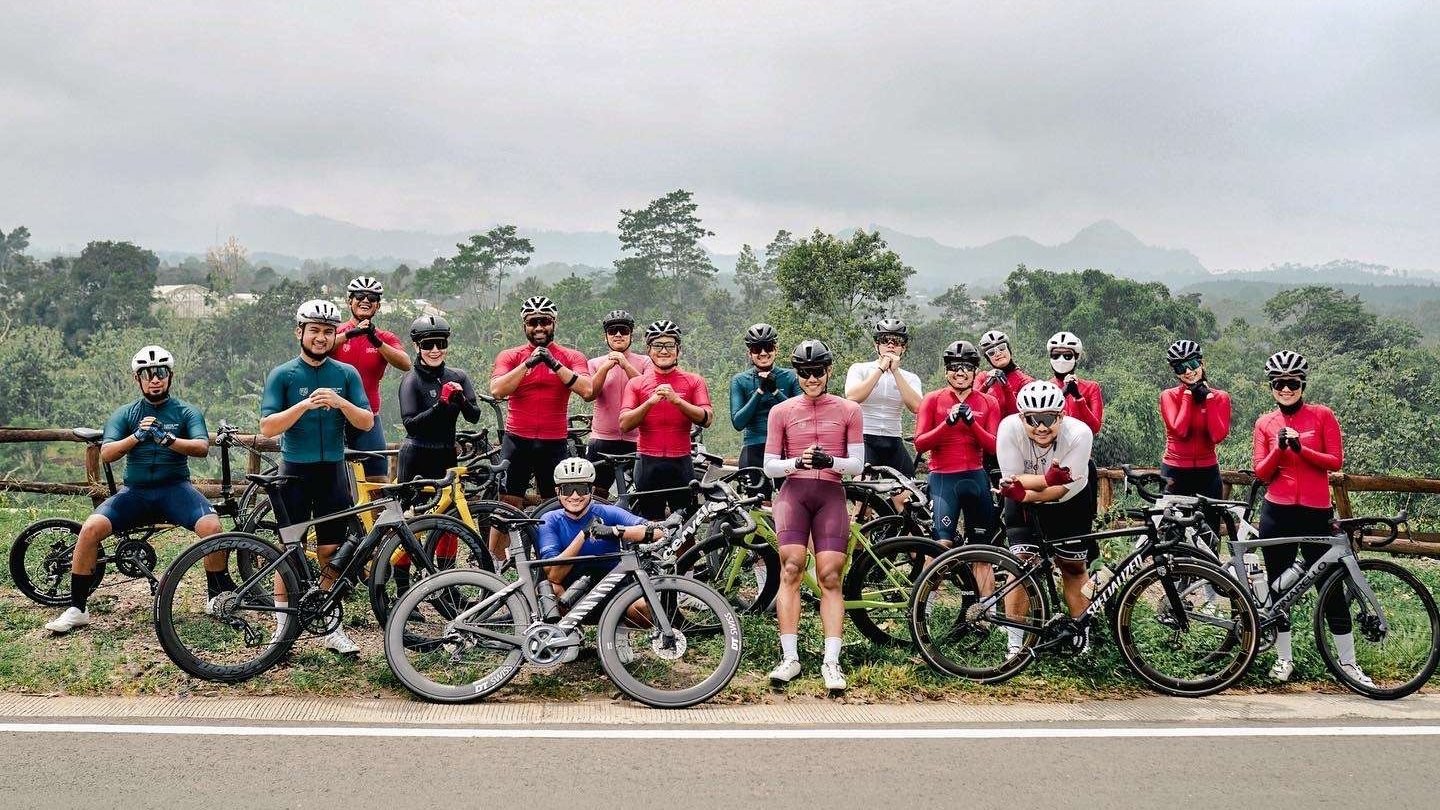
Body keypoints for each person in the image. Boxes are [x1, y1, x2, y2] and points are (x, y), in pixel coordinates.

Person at [45, 347, 224, 633]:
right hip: (135, 492)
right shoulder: (126, 413)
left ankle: (216, 597)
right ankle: (77, 608)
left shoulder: (186, 411)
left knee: (213, 528)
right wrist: (136, 436)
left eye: (161, 373)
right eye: (148, 374)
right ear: (137, 379)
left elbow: (201, 447)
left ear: (170, 376)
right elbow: (107, 453)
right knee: (90, 529)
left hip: (175, 490)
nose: (155, 379)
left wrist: (168, 439)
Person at [259, 299, 374, 656]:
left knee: (331, 551)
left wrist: (341, 404)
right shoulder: (284, 375)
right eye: (314, 330)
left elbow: (366, 422)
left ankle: (330, 626)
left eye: (327, 331)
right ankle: (282, 627)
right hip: (293, 472)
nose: (321, 338)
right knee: (287, 553)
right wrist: (304, 405)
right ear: (300, 332)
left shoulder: (345, 375)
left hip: (332, 473)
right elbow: (266, 427)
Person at [1251, 350, 1367, 685]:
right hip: (1277, 513)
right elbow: (1261, 471)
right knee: (1278, 590)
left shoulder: (1322, 416)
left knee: (1329, 586)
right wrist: (1279, 448)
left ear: (1302, 384)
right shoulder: (1265, 423)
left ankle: (1348, 664)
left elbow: (1334, 461)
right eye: (1279, 383)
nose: (1285, 389)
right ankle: (1284, 660)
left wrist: (1302, 449)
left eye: (1292, 383)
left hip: (1316, 512)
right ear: (1272, 386)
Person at [763, 339, 865, 692]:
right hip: (795, 493)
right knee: (791, 567)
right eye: (805, 373)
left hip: (830, 495)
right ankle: (790, 658)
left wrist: (830, 462)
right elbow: (770, 467)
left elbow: (857, 465)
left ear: (829, 371)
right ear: (797, 374)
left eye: (817, 372)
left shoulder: (850, 410)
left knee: (830, 576)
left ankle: (831, 662)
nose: (811, 379)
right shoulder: (782, 411)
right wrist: (798, 461)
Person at [488, 295, 592, 562]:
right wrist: (529, 363)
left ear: (553, 323)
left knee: (555, 507)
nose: (539, 327)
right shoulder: (511, 356)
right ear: (525, 325)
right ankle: (492, 569)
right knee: (505, 508)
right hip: (517, 440)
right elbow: (498, 389)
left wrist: (554, 364)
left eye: (544, 321)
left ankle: (551, 564)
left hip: (554, 442)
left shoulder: (571, 356)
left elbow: (587, 390)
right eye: (533, 322)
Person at [995, 381, 1096, 654]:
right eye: (1033, 420)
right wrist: (1042, 480)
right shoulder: (1008, 428)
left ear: (1062, 416)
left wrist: (1027, 492)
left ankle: (1080, 636)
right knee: (1020, 568)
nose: (1041, 427)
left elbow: (1059, 490)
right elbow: (1011, 479)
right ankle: (1015, 644)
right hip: (1024, 500)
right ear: (1021, 417)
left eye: (1049, 419)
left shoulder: (1079, 433)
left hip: (1069, 501)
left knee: (1073, 567)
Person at [535, 457, 664, 643]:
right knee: (550, 588)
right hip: (571, 593)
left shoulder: (607, 512)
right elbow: (554, 575)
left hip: (612, 588)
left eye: (581, 489)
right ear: (558, 492)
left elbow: (657, 531)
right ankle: (570, 634)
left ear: (592, 491)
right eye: (567, 489)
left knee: (644, 608)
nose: (574, 496)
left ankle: (618, 632)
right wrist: (583, 535)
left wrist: (614, 531)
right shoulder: (550, 519)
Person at [618, 320, 713, 520]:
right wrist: (650, 403)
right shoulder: (637, 383)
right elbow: (625, 424)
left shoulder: (694, 381)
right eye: (657, 345)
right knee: (652, 526)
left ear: (679, 350)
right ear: (648, 350)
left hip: (681, 463)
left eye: (669, 345)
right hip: (647, 463)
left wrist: (678, 401)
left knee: (685, 527)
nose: (663, 351)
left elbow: (706, 418)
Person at [913, 341, 1000, 549]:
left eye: (967, 367)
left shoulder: (989, 402)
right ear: (946, 371)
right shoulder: (932, 399)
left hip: (976, 477)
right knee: (941, 547)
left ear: (975, 371)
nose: (960, 372)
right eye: (954, 366)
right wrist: (947, 423)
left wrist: (972, 424)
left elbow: (993, 447)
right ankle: (927, 583)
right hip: (943, 480)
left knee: (982, 551)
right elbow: (920, 444)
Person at [332, 277, 411, 483]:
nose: (365, 300)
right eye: (359, 296)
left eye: (372, 297)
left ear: (378, 305)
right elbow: (318, 348)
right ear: (349, 301)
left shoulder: (385, 336)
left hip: (368, 417)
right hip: (333, 417)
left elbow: (405, 363)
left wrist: (376, 341)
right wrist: (351, 334)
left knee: (377, 481)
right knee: (334, 481)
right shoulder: (336, 332)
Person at [397, 315, 482, 482]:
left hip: (447, 454)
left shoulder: (459, 376)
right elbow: (411, 426)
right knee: (413, 508)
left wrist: (461, 400)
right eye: (428, 345)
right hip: (416, 455)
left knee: (451, 507)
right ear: (416, 347)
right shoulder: (411, 380)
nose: (435, 350)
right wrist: (441, 404)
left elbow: (474, 417)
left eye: (441, 344)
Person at [582, 309, 649, 500]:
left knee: (641, 493)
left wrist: (626, 364)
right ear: (606, 337)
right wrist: (606, 367)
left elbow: (647, 391)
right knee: (597, 494)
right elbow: (589, 394)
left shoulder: (644, 361)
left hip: (636, 439)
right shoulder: (595, 363)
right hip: (602, 438)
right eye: (612, 331)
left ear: (631, 335)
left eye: (623, 330)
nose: (618, 334)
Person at [729, 323, 800, 497]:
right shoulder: (740, 380)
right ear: (749, 353)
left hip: (787, 448)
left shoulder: (791, 376)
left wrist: (775, 391)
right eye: (756, 349)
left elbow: (799, 416)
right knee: (758, 507)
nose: (762, 353)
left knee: (793, 503)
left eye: (767, 347)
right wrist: (760, 391)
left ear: (775, 349)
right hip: (754, 447)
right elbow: (738, 422)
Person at [844, 318, 923, 476]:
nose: (891, 345)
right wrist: (880, 369)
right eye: (885, 340)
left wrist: (895, 372)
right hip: (864, 437)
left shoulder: (910, 377)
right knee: (862, 487)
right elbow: (852, 396)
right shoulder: (860, 369)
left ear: (903, 348)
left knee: (907, 493)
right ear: (876, 345)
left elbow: (917, 407)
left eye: (897, 341)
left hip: (893, 439)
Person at [1159, 339, 1231, 498]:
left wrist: (1209, 398)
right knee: (1170, 523)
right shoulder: (1169, 396)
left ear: (1201, 363)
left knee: (1209, 523)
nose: (1187, 371)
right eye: (1180, 367)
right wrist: (1188, 394)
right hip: (1174, 472)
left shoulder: (1221, 397)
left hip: (1208, 473)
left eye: (1192, 364)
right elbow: (1180, 431)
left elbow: (1217, 436)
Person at [976, 329, 1035, 418]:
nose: (998, 353)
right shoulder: (983, 377)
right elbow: (971, 404)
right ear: (988, 359)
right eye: (991, 352)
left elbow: (1019, 415)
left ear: (1009, 350)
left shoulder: (1026, 381)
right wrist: (985, 386)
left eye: (1002, 348)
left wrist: (1006, 387)